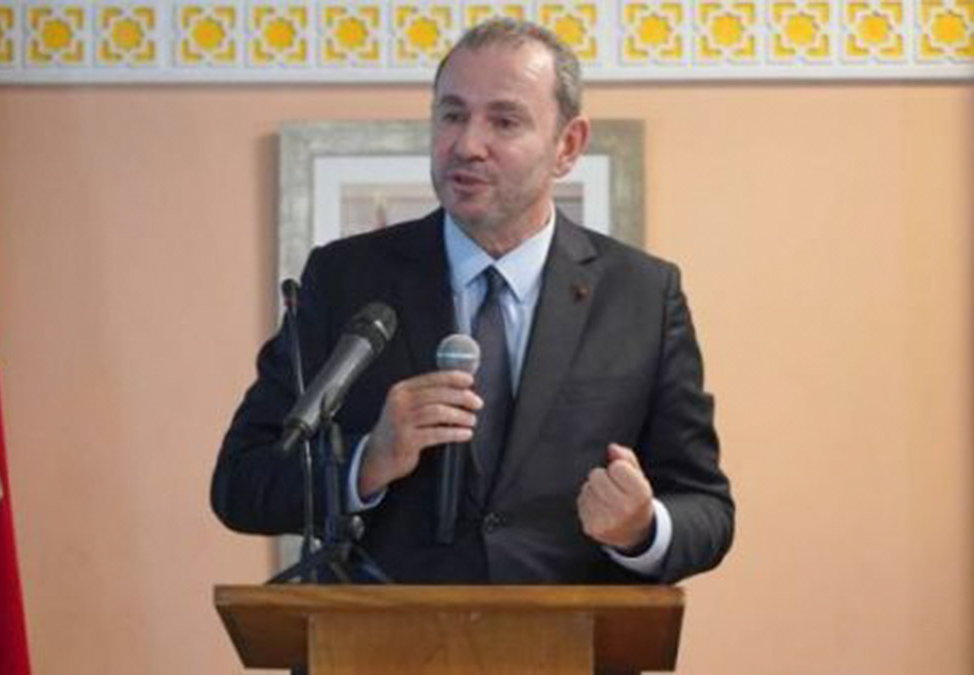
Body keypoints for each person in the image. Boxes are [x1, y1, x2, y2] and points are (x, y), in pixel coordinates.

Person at [212, 18, 733, 585]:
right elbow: (241, 482)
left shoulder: (642, 296)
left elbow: (706, 509)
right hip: (378, 652)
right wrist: (369, 460)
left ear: (568, 145)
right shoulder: (345, 279)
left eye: (504, 121)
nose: (466, 145)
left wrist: (642, 527)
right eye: (452, 115)